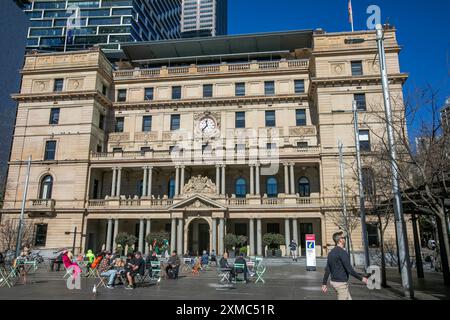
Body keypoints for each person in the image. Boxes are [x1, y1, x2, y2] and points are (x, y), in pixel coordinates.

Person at [322, 231, 368, 300]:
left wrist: (324, 283)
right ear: (340, 240)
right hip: (341, 284)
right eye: (344, 238)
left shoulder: (331, 253)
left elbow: (328, 269)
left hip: (335, 282)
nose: (345, 239)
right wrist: (362, 278)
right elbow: (349, 270)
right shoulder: (342, 253)